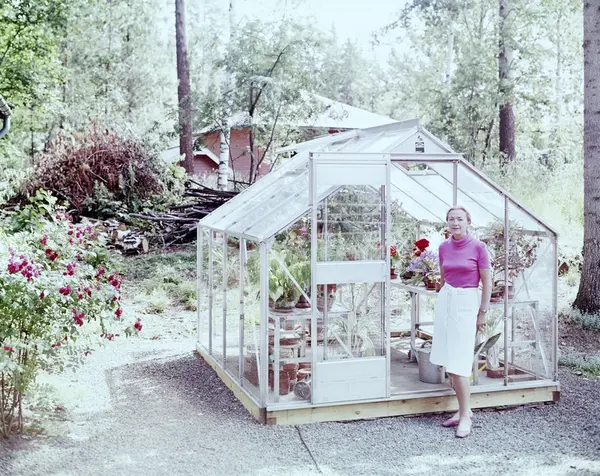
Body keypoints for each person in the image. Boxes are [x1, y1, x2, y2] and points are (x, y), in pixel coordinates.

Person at [429, 206, 492, 438]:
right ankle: (462, 410)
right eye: (451, 219)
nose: (455, 223)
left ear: (468, 222)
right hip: (447, 300)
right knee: (448, 358)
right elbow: (443, 277)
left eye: (459, 219)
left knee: (459, 361)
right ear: (447, 223)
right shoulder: (443, 247)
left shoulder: (479, 247)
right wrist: (442, 296)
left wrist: (482, 313)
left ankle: (466, 416)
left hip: (467, 302)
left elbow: (487, 282)